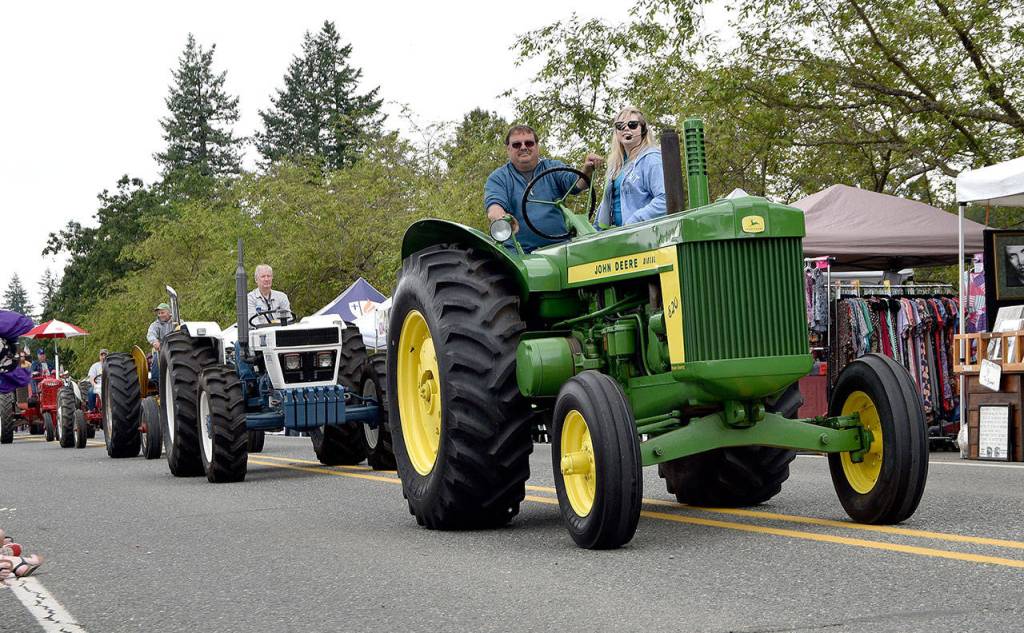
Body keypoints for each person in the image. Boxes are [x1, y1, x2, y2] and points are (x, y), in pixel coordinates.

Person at [485, 124, 603, 252]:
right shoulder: (498, 177)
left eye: (529, 143)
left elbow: (578, 184)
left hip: (561, 249)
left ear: (537, 146)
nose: (523, 147)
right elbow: (494, 207)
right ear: (508, 148)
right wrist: (502, 219)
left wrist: (587, 170)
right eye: (516, 144)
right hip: (519, 254)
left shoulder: (553, 167)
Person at [593, 106, 666, 229]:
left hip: (645, 236)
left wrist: (634, 221)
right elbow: (608, 203)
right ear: (616, 132)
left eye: (632, 125)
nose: (626, 128)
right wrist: (596, 230)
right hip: (618, 237)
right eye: (620, 126)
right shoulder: (615, 165)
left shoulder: (652, 159)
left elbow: (665, 199)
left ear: (643, 130)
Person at [147, 303, 175, 382]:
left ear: (169, 312)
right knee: (156, 361)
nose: (160, 315)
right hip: (161, 350)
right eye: (159, 313)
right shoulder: (155, 325)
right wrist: (155, 342)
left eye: (162, 312)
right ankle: (157, 382)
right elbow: (150, 334)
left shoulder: (177, 322)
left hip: (175, 349)